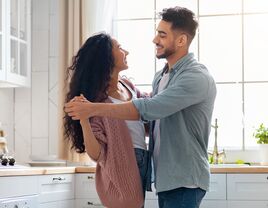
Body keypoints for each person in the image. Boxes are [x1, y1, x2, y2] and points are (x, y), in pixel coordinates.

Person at [65, 6, 217, 208]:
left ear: (181, 40)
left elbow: (149, 108)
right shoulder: (162, 77)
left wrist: (92, 109)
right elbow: (151, 119)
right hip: (164, 178)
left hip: (184, 177)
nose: (155, 40)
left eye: (162, 35)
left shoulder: (195, 76)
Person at [63, 33, 150, 208]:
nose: (126, 51)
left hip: (143, 159)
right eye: (119, 47)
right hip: (122, 163)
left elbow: (147, 111)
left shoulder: (128, 86)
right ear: (105, 57)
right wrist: (84, 120)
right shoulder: (96, 101)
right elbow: (96, 154)